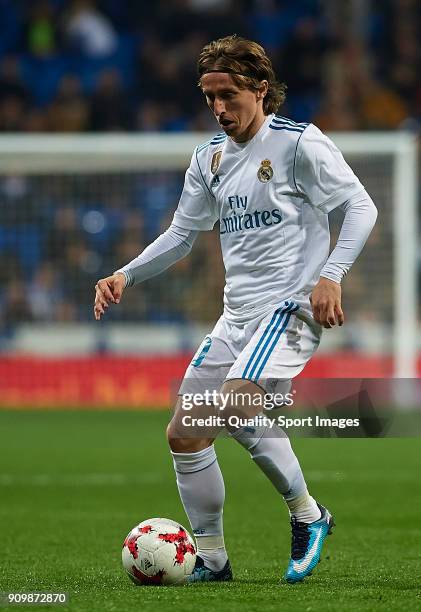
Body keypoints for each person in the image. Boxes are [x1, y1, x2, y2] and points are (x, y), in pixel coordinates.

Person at [94, 35, 377, 584]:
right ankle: (213, 559)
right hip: (236, 317)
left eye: (229, 95)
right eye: (209, 98)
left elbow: (360, 206)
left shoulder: (299, 144)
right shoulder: (210, 158)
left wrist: (332, 275)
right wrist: (124, 273)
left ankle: (307, 514)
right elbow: (181, 236)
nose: (219, 109)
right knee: (184, 432)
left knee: (227, 408)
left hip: (289, 311)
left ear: (261, 90)